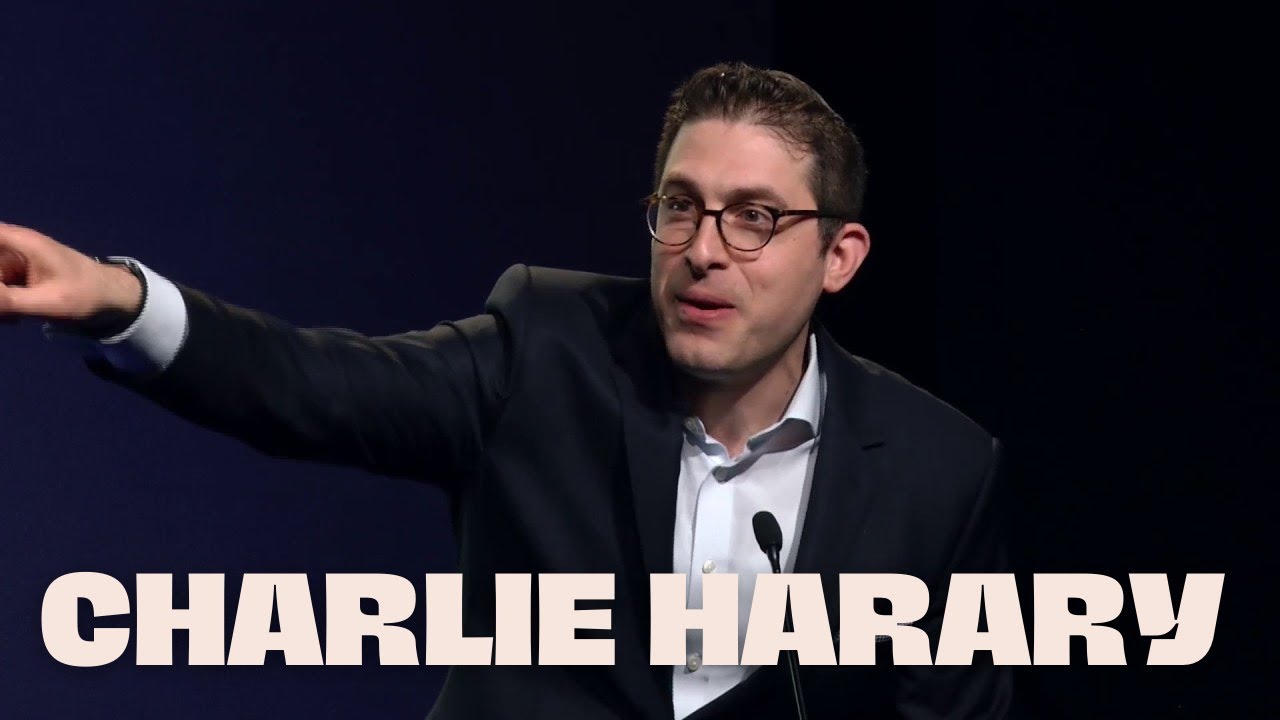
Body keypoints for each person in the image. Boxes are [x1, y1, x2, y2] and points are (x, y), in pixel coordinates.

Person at [0, 62, 1010, 718]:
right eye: (679, 207)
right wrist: (116, 301)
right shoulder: (549, 348)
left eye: (753, 219)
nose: (703, 251)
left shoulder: (937, 470)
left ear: (839, 256)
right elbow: (312, 384)